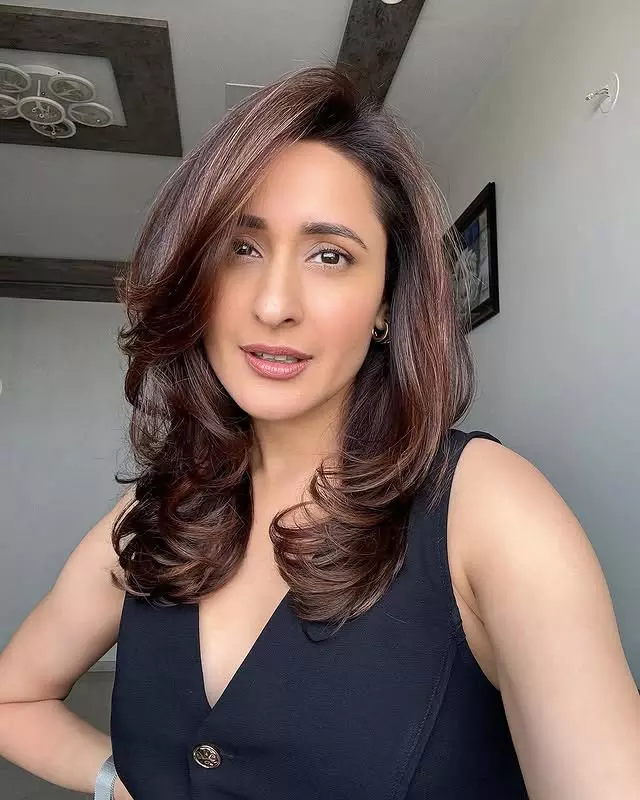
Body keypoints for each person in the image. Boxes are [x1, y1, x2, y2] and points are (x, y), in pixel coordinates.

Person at [0, 66, 639, 800]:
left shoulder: (487, 508)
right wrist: (119, 783)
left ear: (386, 302)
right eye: (241, 248)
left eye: (330, 256)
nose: (275, 303)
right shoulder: (154, 516)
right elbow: (13, 699)